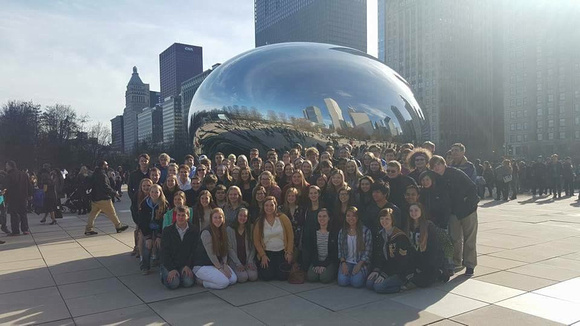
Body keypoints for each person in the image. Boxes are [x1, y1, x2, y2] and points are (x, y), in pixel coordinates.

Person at [430, 155, 478, 276]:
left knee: (469, 239)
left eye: (439, 164)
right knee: (455, 239)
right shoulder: (435, 179)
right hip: (452, 213)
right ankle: (457, 262)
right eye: (434, 166)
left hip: (467, 210)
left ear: (444, 164)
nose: (437, 167)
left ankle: (470, 264)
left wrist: (471, 204)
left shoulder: (456, 173)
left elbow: (472, 187)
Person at [366, 208, 412, 294]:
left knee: (378, 287)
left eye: (387, 218)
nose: (384, 221)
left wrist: (384, 275)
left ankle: (402, 286)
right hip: (386, 269)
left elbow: (401, 262)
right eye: (382, 218)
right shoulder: (380, 234)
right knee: (369, 284)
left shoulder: (400, 237)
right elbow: (378, 255)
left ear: (392, 220)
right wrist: (376, 270)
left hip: (399, 272)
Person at [407, 203, 450, 287]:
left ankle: (440, 272)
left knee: (423, 283)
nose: (413, 213)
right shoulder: (409, 226)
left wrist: (430, 265)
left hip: (430, 260)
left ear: (421, 212)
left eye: (416, 210)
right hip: (417, 259)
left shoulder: (428, 226)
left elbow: (434, 249)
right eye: (411, 211)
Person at [193, 208, 237, 289]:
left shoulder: (223, 231)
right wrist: (220, 269)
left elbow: (224, 250)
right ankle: (201, 281)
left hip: (216, 264)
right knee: (224, 283)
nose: (218, 220)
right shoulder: (206, 232)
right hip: (203, 265)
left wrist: (225, 264)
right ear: (211, 219)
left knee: (233, 279)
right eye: (215, 217)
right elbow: (211, 254)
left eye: (220, 217)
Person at [253, 196, 294, 281]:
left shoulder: (283, 218)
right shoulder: (260, 221)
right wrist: (262, 255)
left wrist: (289, 252)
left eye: (271, 205)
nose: (269, 208)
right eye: (266, 205)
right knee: (267, 276)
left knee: (282, 277)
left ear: (275, 206)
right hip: (267, 253)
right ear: (263, 207)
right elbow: (256, 240)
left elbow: (290, 236)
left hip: (282, 252)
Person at [160, 206, 199, 290]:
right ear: (175, 216)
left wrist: (188, 265)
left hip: (185, 264)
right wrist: (171, 269)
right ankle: (164, 274)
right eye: (178, 215)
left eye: (183, 215)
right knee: (173, 284)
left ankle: (181, 275)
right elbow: (164, 251)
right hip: (170, 263)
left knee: (188, 282)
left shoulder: (194, 230)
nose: (180, 218)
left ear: (188, 217)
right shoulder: (167, 231)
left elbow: (195, 251)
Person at [84, 161, 128, 236]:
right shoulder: (102, 175)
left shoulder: (94, 174)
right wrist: (114, 193)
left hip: (95, 198)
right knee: (112, 213)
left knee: (93, 214)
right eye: (106, 165)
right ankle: (118, 226)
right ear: (103, 166)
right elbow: (105, 186)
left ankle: (88, 229)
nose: (107, 166)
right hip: (103, 198)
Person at [137, 184, 168, 274]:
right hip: (147, 228)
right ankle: (145, 266)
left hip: (159, 228)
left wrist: (159, 235)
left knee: (160, 245)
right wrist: (147, 237)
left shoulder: (164, 204)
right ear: (149, 193)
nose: (154, 194)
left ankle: (161, 265)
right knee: (147, 245)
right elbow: (142, 221)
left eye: (157, 192)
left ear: (160, 193)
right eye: (152, 192)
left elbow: (164, 221)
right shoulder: (144, 203)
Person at [337, 207, 372, 288]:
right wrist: (343, 263)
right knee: (342, 281)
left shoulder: (366, 231)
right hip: (347, 261)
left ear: (357, 217)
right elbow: (340, 250)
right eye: (348, 216)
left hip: (360, 262)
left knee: (356, 283)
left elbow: (368, 252)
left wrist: (359, 265)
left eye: (353, 216)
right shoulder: (342, 232)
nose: (350, 218)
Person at [304, 209, 338, 283]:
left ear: (329, 218)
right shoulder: (313, 232)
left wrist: (323, 265)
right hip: (316, 260)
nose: (322, 218)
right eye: (319, 216)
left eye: (324, 216)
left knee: (324, 278)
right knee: (311, 277)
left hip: (329, 261)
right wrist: (316, 264)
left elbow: (334, 252)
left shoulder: (333, 233)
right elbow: (311, 250)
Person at [226, 208, 258, 283]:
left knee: (253, 276)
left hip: (248, 259)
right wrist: (238, 264)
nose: (242, 218)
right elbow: (229, 248)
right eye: (240, 215)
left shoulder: (251, 228)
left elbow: (253, 246)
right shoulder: (229, 229)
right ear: (237, 216)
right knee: (243, 278)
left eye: (245, 216)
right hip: (235, 260)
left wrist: (250, 261)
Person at [4, 160, 32, 235]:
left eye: (6, 166)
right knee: (23, 213)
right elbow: (29, 185)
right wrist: (30, 194)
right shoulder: (24, 174)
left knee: (14, 214)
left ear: (10, 166)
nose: (6, 167)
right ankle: (25, 229)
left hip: (13, 197)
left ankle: (15, 231)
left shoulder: (9, 175)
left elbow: (6, 187)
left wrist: (4, 198)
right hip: (23, 196)